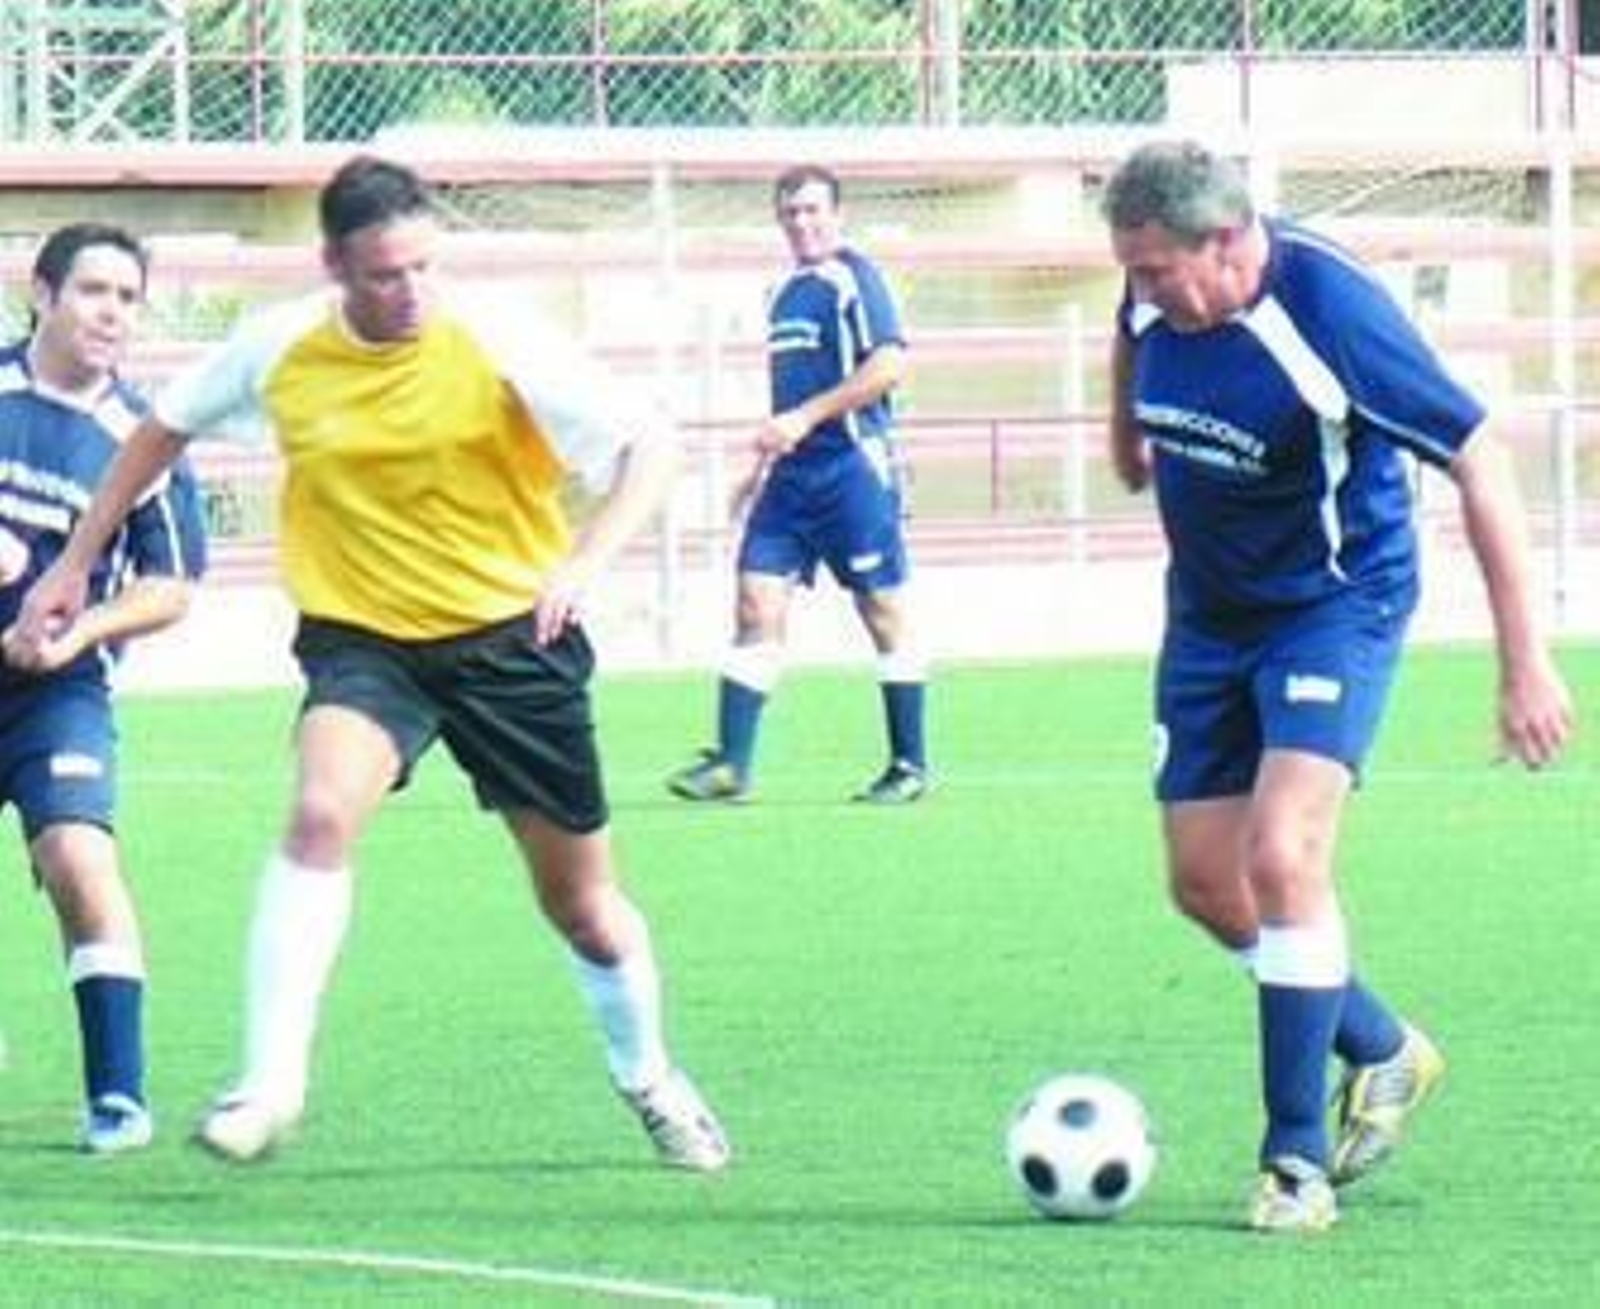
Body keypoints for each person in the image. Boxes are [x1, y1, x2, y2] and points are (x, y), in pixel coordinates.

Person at [14, 156, 730, 1172]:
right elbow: (158, 432)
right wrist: (75, 566)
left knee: (583, 907)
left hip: (508, 641)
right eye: (385, 274)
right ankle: (269, 1083)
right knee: (319, 811)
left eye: (424, 267)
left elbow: (650, 447)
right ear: (334, 267)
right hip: (365, 643)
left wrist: (585, 560)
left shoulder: (500, 340)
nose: (409, 292)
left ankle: (650, 1074)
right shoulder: (282, 348)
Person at [1100, 141, 1573, 1233]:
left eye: (1158, 270)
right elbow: (1126, 352)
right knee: (1209, 887)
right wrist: (1124, 437)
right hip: (1206, 619)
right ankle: (1383, 1048)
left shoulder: (1328, 311)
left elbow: (1480, 457)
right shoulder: (1150, 307)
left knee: (1282, 855)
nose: (1142, 291)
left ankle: (1294, 1162)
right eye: (1129, 270)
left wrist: (1524, 657)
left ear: (1226, 242)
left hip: (1333, 606)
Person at [0, 222, 207, 1153]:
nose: (113, 312)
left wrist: (75, 630)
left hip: (58, 690)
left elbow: (171, 585)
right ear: (41, 294)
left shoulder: (143, 438)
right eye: (93, 291)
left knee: (80, 859)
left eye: (128, 296)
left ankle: (117, 1096)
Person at [667, 164, 929, 805]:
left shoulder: (854, 279)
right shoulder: (783, 293)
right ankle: (731, 765)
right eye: (791, 212)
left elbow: (889, 365)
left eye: (813, 210)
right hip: (791, 478)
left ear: (837, 214)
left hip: (851, 472)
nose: (802, 223)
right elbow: (787, 398)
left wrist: (806, 418)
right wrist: (753, 473)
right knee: (755, 603)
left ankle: (908, 764)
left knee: (882, 612)